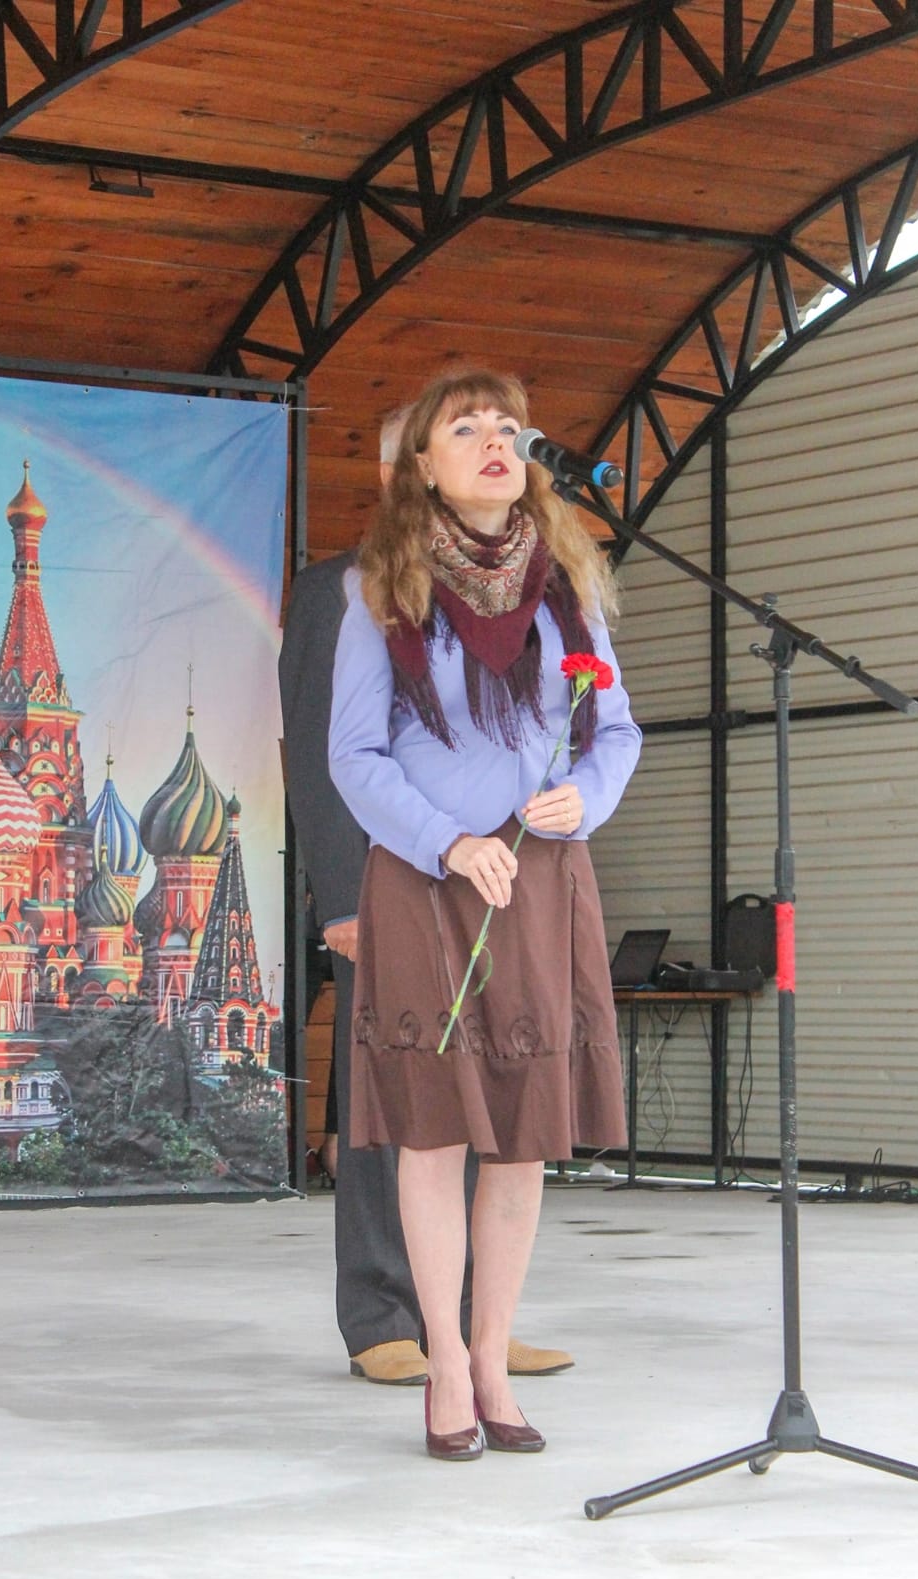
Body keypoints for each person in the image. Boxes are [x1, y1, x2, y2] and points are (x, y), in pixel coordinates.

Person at [328, 369, 641, 1459]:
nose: (495, 440)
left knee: (520, 1143)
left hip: (545, 879)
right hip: (427, 881)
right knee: (436, 1129)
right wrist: (447, 841)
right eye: (465, 427)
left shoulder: (570, 586)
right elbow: (352, 755)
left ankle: (496, 1354)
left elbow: (618, 734)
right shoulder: (381, 590)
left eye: (508, 425)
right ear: (422, 467)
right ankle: (444, 1364)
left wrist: (584, 798)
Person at [278, 406, 575, 1387]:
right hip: (388, 882)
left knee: (490, 1091)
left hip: (494, 888)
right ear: (398, 468)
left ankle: (476, 1323)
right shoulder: (341, 591)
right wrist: (337, 900)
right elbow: (323, 763)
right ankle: (380, 1314)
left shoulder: (512, 593)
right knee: (387, 1100)